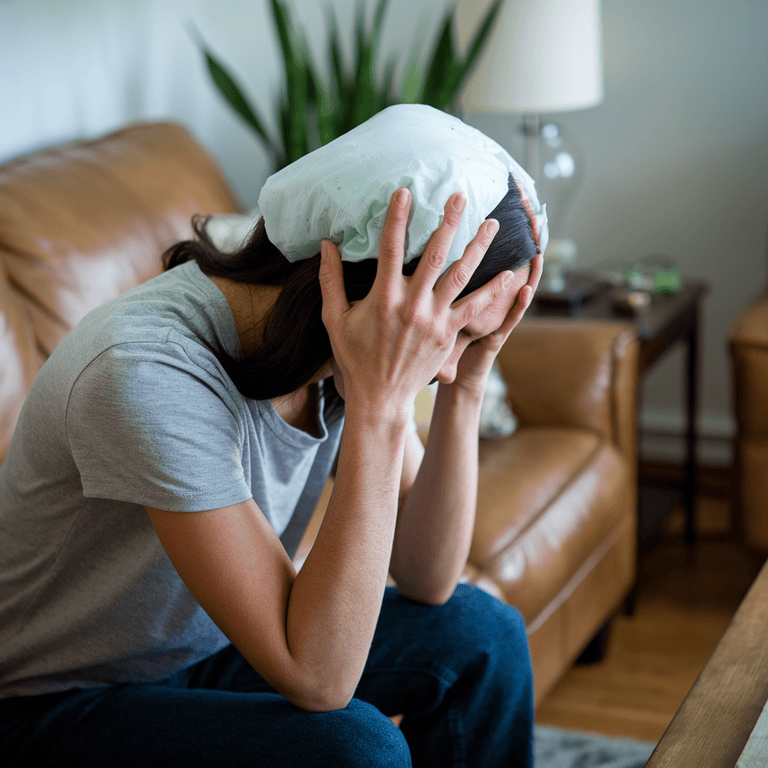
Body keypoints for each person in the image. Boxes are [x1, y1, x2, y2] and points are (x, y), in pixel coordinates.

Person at [0, 105, 546, 767]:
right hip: (48, 700)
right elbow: (319, 679)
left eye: (467, 337)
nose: (447, 360)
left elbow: (430, 577)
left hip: (197, 650)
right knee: (357, 747)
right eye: (449, 336)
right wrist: (378, 410)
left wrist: (469, 382)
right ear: (373, 292)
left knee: (480, 633)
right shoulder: (145, 373)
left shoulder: (331, 339)